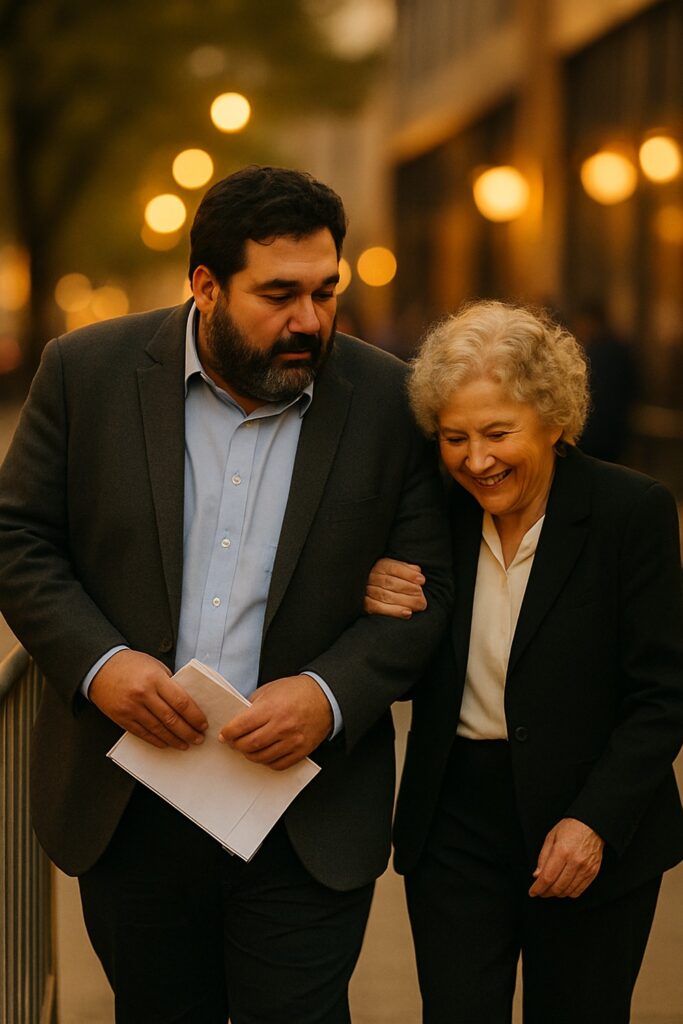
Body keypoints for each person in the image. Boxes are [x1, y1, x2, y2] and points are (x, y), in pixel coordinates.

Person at [0, 166, 453, 1024]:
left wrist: (329, 695)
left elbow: (431, 588)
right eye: (278, 294)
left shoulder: (391, 402)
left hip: (306, 813)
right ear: (205, 285)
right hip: (130, 805)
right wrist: (100, 667)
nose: (309, 321)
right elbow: (19, 538)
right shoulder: (83, 373)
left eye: (325, 292)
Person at [365, 300, 683, 1023]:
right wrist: (377, 596)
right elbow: (410, 661)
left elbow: (662, 695)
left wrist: (592, 823)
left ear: (554, 418)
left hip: (589, 815)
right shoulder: (431, 516)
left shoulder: (629, 513)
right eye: (453, 438)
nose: (475, 460)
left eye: (497, 433)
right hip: (454, 823)